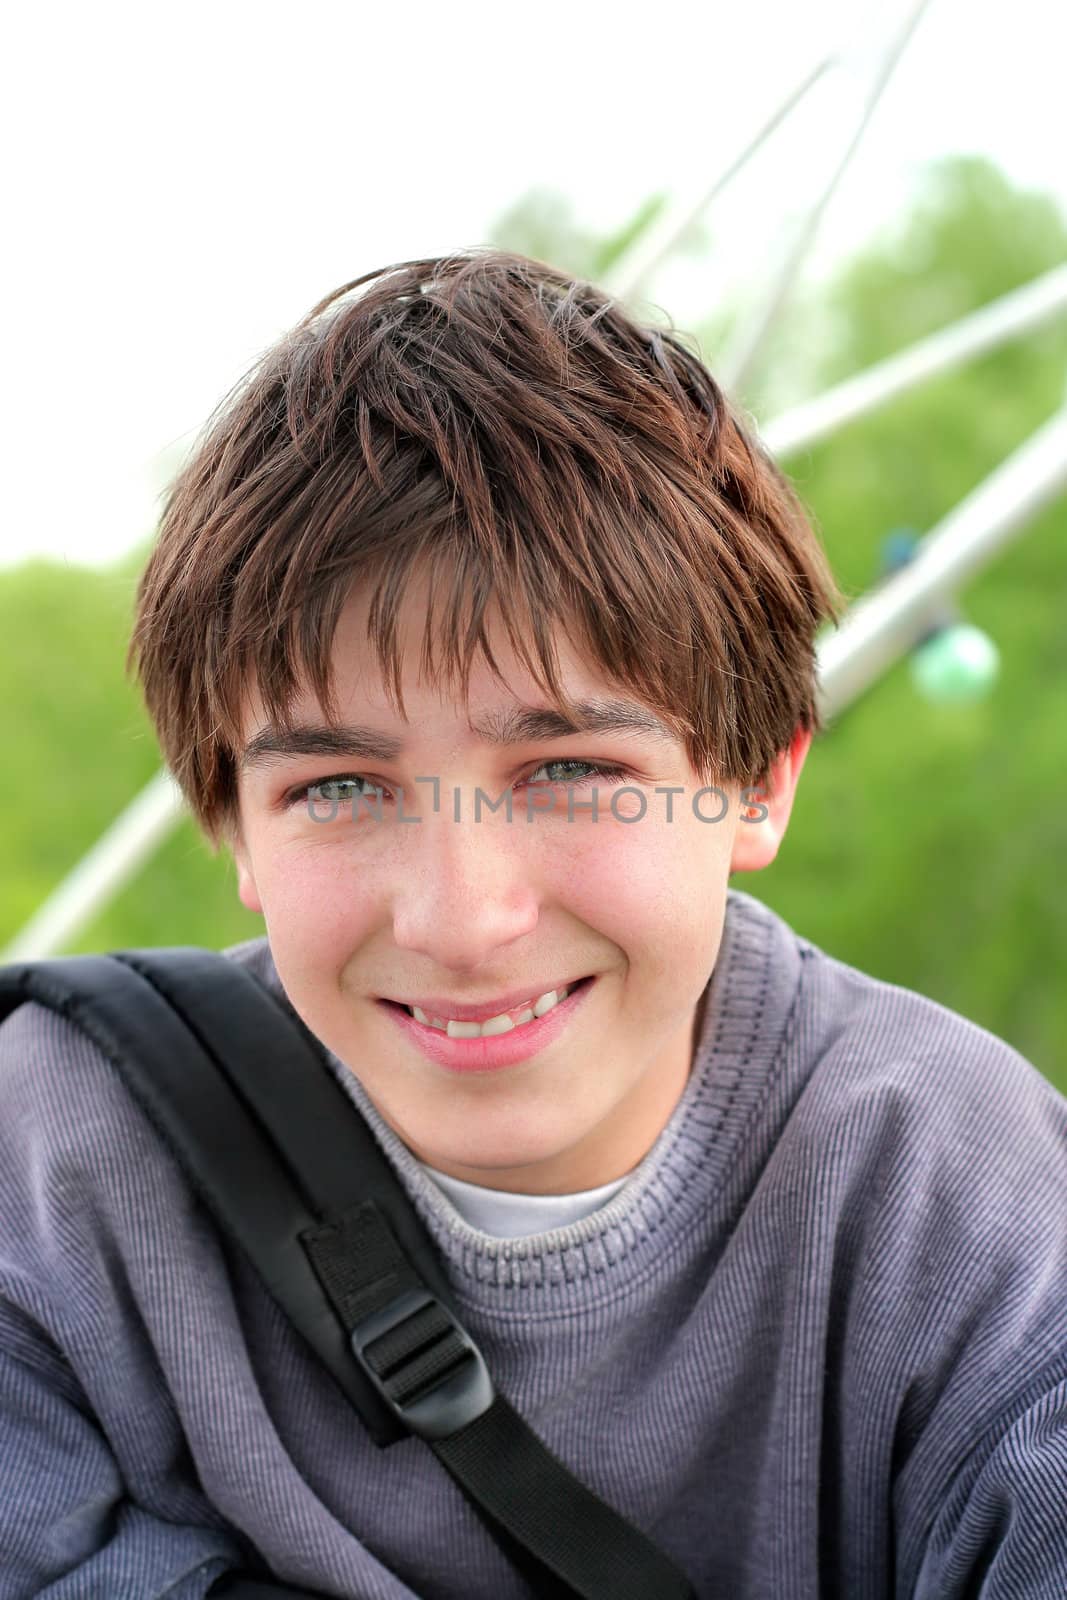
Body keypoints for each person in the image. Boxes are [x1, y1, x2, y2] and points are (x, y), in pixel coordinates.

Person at [2, 249, 1065, 1600]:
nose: (465, 919)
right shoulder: (46, 1185)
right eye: (338, 788)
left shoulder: (975, 1217)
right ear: (234, 825)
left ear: (756, 780)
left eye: (569, 773)